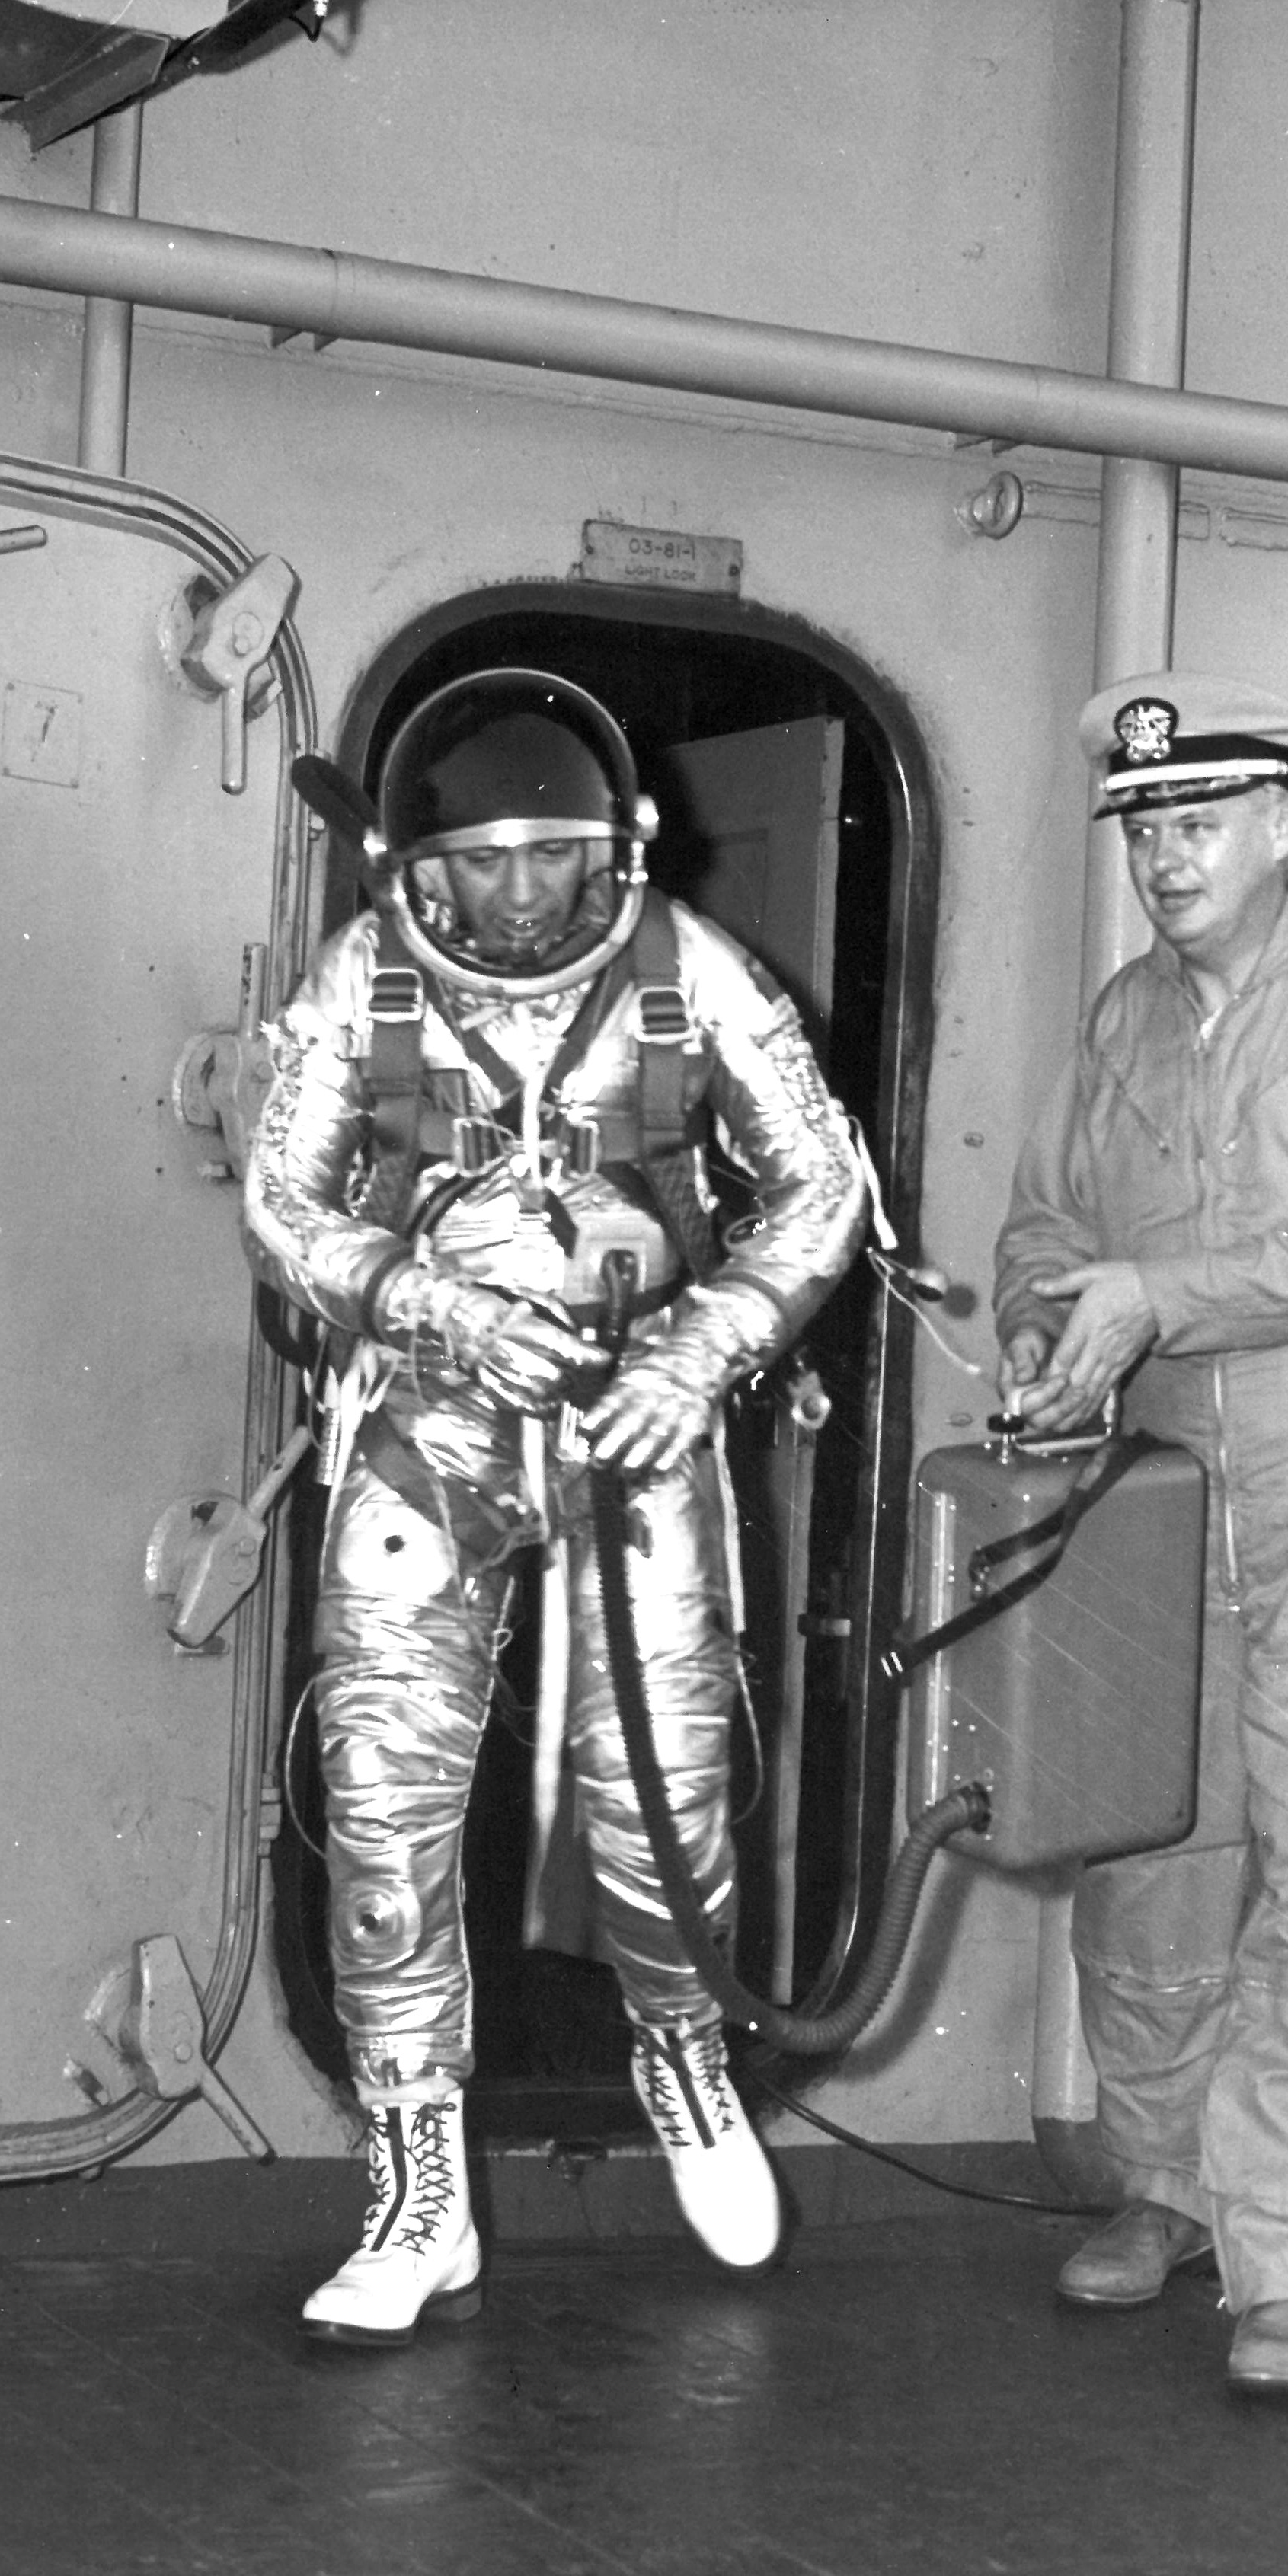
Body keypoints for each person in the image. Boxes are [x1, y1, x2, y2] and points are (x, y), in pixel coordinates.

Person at [244, 669, 866, 2345]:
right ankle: (415, 2185)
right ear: (420, 865)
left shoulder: (692, 972)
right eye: (486, 860)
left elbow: (820, 1187)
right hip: (425, 1423)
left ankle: (685, 2056)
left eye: (554, 856)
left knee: (665, 1799)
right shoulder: (363, 981)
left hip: (637, 1415)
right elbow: (283, 1201)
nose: (521, 895)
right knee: (384, 1811)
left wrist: (705, 1347)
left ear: (616, 851)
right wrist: (434, 1305)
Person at [994, 672, 1288, 2396]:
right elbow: (1046, 1221)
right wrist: (1047, 1333)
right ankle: (1166, 2187)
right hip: (1155, 1483)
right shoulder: (1125, 1015)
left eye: (1199, 821)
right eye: (1144, 827)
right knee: (1144, 1848)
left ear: (1282, 824)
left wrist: (1155, 1295)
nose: (1166, 857)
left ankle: (1285, 2257)